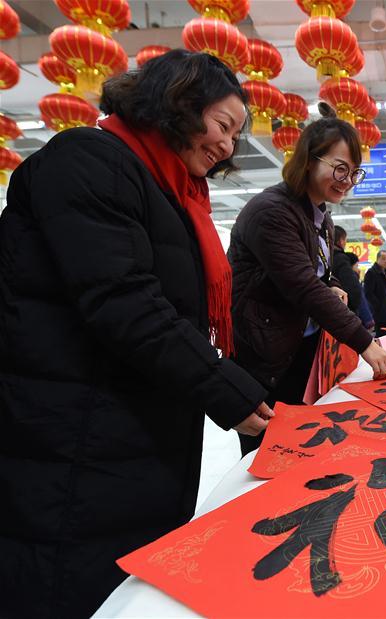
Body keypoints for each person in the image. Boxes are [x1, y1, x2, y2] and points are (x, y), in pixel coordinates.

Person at [0, 50, 273, 618]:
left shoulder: (169, 192)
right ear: (176, 102)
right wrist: (227, 391)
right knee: (72, 584)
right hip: (73, 436)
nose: (227, 147)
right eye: (222, 125)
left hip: (133, 433)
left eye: (234, 137)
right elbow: (125, 303)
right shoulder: (87, 161)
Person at [229, 117, 386, 456]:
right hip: (267, 361)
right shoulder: (272, 212)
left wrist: (334, 285)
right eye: (340, 169)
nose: (348, 182)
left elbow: (320, 273)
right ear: (309, 160)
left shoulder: (320, 215)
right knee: (271, 458)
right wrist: (364, 342)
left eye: (354, 173)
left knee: (305, 450)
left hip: (301, 353)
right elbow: (302, 285)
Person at [364, 249, 386, 337]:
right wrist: (379, 306)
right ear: (377, 259)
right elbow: (368, 293)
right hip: (380, 314)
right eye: (383, 259)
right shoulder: (371, 273)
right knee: (382, 337)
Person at [332, 224, 362, 313]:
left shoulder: (326, 257)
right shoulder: (341, 258)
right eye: (345, 239)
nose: (345, 242)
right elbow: (352, 287)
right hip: (344, 309)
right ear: (341, 240)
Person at [347, 251, 376, 330]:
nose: (359, 269)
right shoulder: (352, 281)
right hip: (358, 323)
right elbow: (361, 301)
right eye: (357, 266)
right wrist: (369, 321)